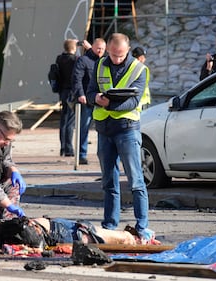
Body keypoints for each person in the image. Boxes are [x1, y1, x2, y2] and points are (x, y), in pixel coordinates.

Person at [86, 33, 154, 241]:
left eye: (121, 55)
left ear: (128, 50)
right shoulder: (99, 65)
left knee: (136, 181)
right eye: (114, 55)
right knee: (109, 181)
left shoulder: (139, 69)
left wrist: (109, 104)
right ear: (108, 50)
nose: (117, 59)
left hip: (127, 128)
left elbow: (134, 102)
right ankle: (109, 225)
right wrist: (95, 98)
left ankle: (142, 226)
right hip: (104, 129)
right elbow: (89, 92)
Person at [0, 217, 160, 251]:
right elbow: (31, 235)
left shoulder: (1, 233)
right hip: (65, 232)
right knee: (124, 238)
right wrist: (25, 222)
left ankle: (140, 239)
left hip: (64, 231)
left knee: (119, 238)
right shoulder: (3, 229)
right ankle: (143, 241)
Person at [71, 38, 106, 165]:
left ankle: (103, 154)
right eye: (98, 48)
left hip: (101, 101)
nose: (100, 51)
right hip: (86, 101)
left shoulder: (105, 62)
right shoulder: (84, 60)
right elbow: (76, 79)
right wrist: (80, 94)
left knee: (103, 129)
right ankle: (81, 154)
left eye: (102, 49)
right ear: (92, 47)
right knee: (83, 128)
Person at [56, 39, 78, 157]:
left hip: (62, 91)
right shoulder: (74, 60)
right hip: (71, 92)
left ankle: (63, 148)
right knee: (70, 121)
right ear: (74, 48)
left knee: (63, 120)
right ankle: (69, 149)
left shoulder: (59, 59)